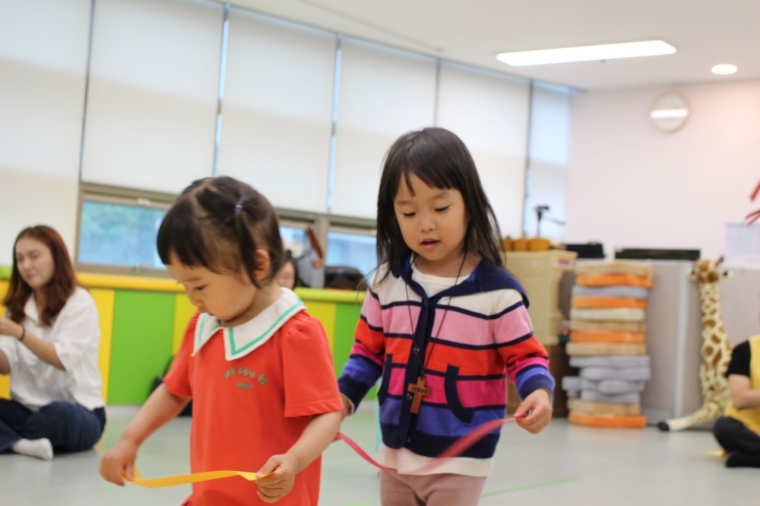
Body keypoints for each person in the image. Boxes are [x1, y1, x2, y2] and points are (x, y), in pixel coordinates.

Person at [337, 127, 555, 505]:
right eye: (409, 212)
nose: (425, 224)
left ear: (469, 203)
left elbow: (526, 357)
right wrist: (341, 399)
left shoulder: (497, 293)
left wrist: (538, 390)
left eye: (440, 209)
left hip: (461, 458)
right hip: (394, 452)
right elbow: (367, 353)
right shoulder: (386, 283)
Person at [100, 176, 343, 505]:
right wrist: (130, 439)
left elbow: (327, 415)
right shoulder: (203, 325)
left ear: (257, 265)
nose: (192, 298)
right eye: (183, 286)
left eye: (199, 286)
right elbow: (173, 391)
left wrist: (295, 460)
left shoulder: (295, 334)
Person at [0, 225, 105, 461]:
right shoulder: (17, 306)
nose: (26, 265)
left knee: (61, 416)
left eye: (34, 256)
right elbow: (5, 365)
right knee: (41, 419)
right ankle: (21, 444)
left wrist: (19, 332)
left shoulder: (79, 302)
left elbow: (61, 359)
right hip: (26, 409)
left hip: (78, 411)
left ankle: (9, 439)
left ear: (56, 257)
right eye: (20, 259)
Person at [712, 335, 760, 468]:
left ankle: (751, 459)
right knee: (723, 427)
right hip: (749, 430)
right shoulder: (745, 350)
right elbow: (739, 399)